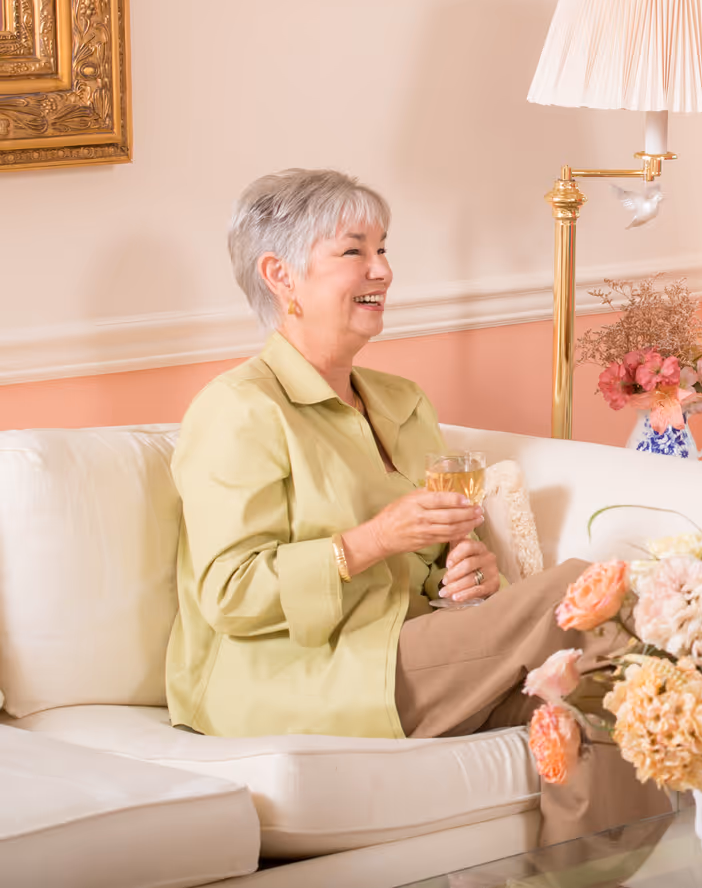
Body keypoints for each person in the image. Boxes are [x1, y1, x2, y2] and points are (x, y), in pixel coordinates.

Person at [165, 168, 669, 845]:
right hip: (303, 671)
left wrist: (465, 577)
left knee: (600, 667)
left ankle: (591, 871)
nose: (383, 269)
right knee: (594, 593)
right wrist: (369, 541)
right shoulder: (239, 410)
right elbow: (230, 593)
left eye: (383, 246)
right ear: (280, 275)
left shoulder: (401, 401)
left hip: (411, 648)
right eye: (354, 250)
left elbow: (430, 569)